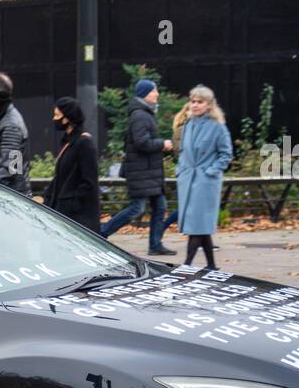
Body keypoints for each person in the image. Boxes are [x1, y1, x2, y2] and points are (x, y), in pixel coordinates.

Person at [100, 79, 176, 255]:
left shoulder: (145, 113)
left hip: (149, 173)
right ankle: (102, 232)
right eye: (154, 91)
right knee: (137, 208)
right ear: (145, 94)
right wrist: (162, 144)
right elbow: (142, 142)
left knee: (160, 206)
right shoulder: (139, 115)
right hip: (141, 172)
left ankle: (155, 245)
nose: (157, 93)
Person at [174, 85, 233, 269]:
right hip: (187, 180)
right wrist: (181, 170)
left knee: (196, 225)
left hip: (205, 183)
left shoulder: (218, 127)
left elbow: (226, 154)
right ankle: (211, 266)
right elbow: (183, 151)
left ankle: (187, 264)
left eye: (200, 102)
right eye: (193, 101)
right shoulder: (188, 125)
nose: (195, 105)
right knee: (201, 226)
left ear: (209, 105)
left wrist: (211, 171)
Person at [43, 96, 100, 232]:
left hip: (76, 217)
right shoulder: (67, 142)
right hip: (64, 212)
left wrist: (71, 202)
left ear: (67, 118)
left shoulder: (84, 143)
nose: (54, 119)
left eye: (57, 115)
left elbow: (89, 182)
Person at [0, 71, 29, 194]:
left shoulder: (11, 125)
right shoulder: (0, 120)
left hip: (12, 199)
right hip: (8, 196)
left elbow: (11, 169)